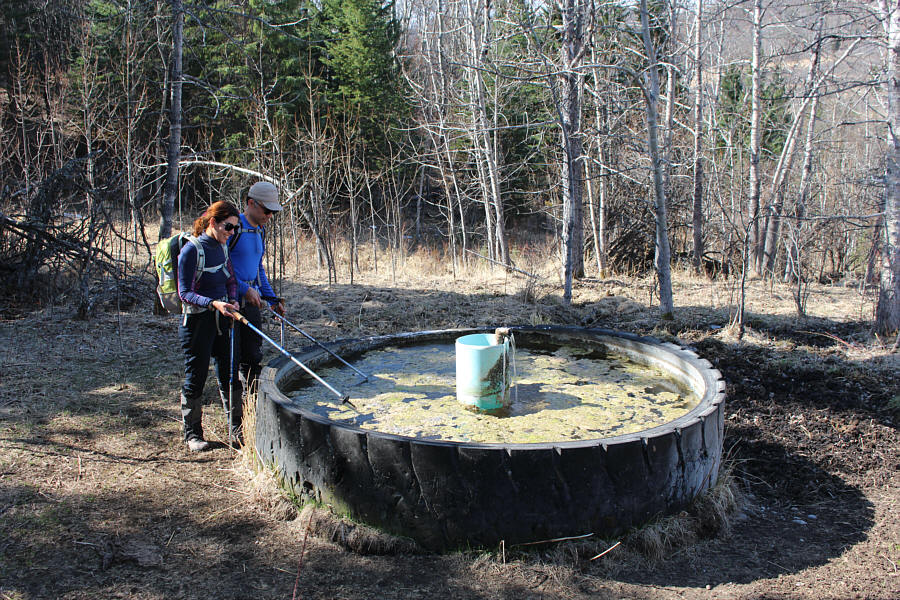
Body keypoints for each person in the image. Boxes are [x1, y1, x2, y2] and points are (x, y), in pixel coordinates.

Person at [177, 200, 241, 452]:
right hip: (197, 322)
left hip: (223, 318)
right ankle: (192, 433)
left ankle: (237, 429)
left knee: (229, 373)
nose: (231, 232)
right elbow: (184, 293)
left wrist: (233, 299)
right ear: (213, 222)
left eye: (235, 228)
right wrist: (212, 303)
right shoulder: (191, 251)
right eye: (228, 226)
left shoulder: (223, 247)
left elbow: (230, 279)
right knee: (197, 375)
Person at [230, 181, 284, 399]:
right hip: (230, 304)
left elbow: (258, 269)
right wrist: (244, 289)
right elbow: (222, 267)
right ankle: (235, 411)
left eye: (273, 212)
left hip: (251, 304)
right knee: (231, 359)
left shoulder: (260, 231)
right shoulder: (233, 228)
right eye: (267, 210)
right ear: (251, 203)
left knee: (253, 356)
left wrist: (272, 299)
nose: (269, 216)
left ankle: (253, 404)